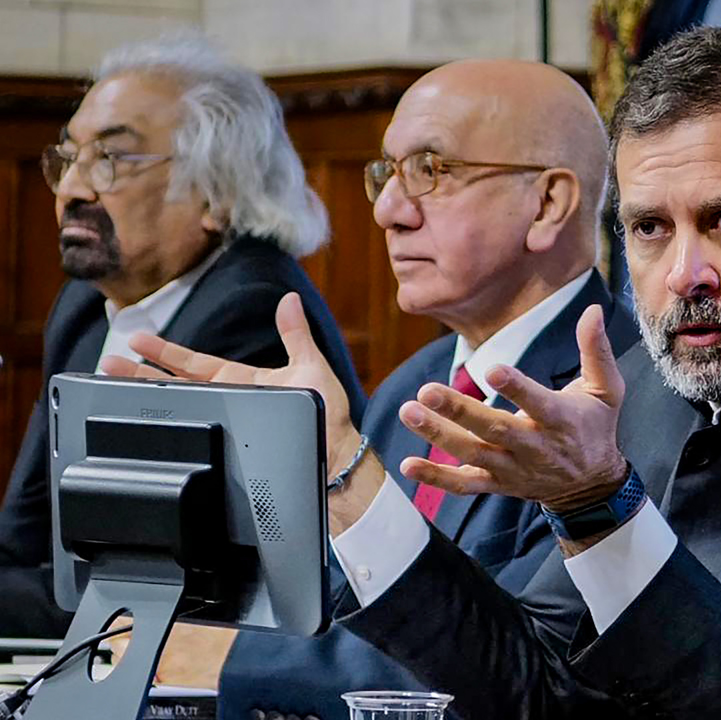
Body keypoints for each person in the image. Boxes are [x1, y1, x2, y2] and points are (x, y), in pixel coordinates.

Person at [123, 26, 721, 719]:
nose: (686, 273)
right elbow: (529, 679)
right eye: (651, 229)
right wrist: (347, 476)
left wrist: (597, 507)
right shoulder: (662, 378)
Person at [104, 59, 639, 716]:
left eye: (430, 170)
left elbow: (517, 670)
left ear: (548, 203)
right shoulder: (410, 385)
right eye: (387, 174)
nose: (388, 211)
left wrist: (230, 661)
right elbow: (336, 609)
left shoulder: (617, 399)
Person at [0, 33, 365, 638]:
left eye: (110, 159)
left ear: (217, 192)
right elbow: (23, 533)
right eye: (67, 159)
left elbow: (156, 594)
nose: (71, 189)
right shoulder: (86, 309)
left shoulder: (252, 313)